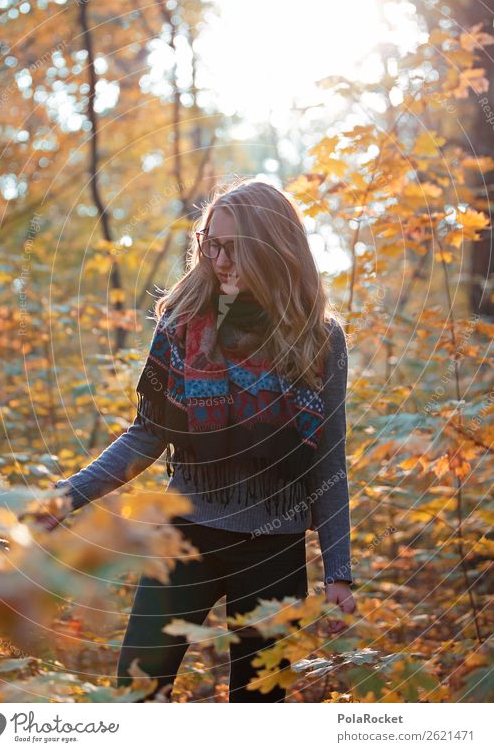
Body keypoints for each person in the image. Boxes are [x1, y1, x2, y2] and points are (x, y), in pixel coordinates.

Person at [37, 178, 356, 702]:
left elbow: (327, 461)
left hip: (274, 549)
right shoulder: (181, 324)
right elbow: (148, 436)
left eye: (235, 247)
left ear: (275, 248)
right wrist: (66, 498)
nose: (219, 259)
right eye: (211, 242)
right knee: (135, 693)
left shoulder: (319, 338)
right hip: (183, 535)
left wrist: (339, 570)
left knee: (259, 711)